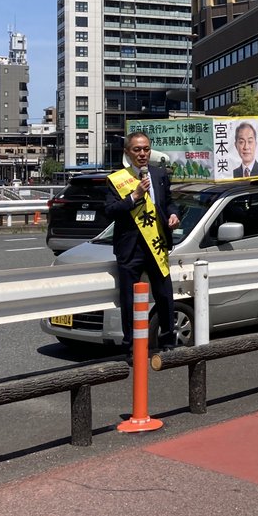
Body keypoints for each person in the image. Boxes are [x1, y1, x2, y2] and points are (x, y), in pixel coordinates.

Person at [104, 132, 182, 357]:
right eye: (137, 149)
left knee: (164, 294)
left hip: (156, 243)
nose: (142, 154)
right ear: (127, 152)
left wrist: (173, 215)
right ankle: (131, 347)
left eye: (146, 149)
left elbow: (169, 202)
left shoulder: (159, 174)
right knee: (129, 299)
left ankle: (168, 341)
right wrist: (134, 197)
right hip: (130, 248)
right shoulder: (117, 179)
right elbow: (110, 210)